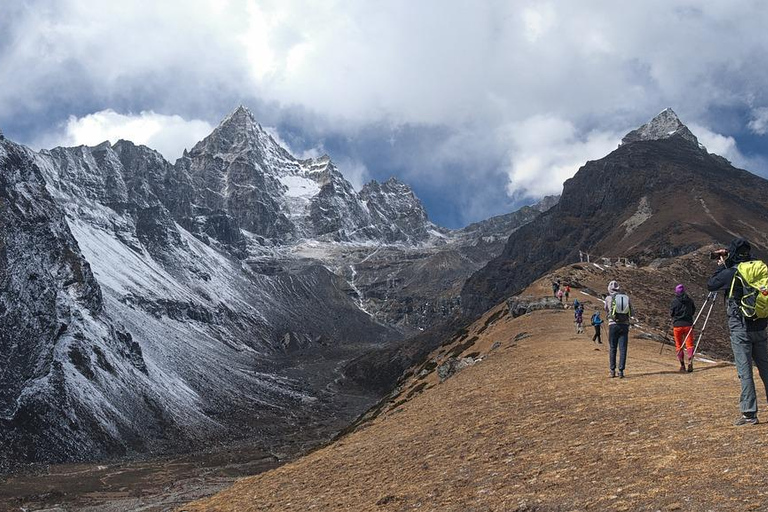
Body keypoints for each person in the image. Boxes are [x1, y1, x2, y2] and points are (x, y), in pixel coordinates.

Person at [707, 238, 768, 426]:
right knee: (766, 369)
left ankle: (749, 413)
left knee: (745, 371)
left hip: (740, 329)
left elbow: (711, 284)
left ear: (732, 254)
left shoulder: (731, 273)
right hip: (761, 326)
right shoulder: (758, 267)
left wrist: (722, 266)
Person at [605, 280, 632, 378]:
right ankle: (621, 371)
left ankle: (612, 370)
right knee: (623, 348)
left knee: (613, 347)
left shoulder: (608, 298)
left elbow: (607, 310)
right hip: (624, 325)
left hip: (613, 325)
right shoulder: (626, 298)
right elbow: (631, 312)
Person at [670, 284, 696, 372]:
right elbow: (693, 311)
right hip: (688, 325)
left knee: (679, 345)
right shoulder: (689, 300)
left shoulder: (674, 301)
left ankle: (682, 365)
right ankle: (690, 361)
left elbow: (672, 313)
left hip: (677, 325)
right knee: (690, 344)